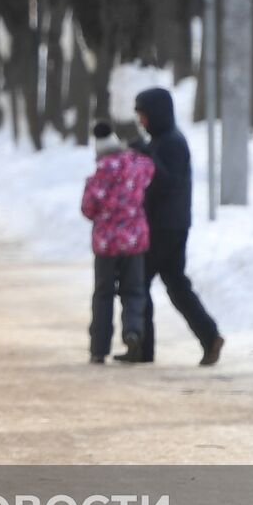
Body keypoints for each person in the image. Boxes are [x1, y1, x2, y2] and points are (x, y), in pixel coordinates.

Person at [131, 87, 225, 366]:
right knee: (176, 285)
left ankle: (143, 349)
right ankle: (209, 336)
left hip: (163, 227)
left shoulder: (171, 142)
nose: (141, 122)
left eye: (143, 116)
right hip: (172, 225)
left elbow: (164, 181)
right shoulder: (163, 141)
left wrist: (144, 155)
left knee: (140, 283)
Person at [82, 121, 155, 364]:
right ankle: (133, 331)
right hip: (134, 241)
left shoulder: (100, 174)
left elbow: (88, 208)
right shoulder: (137, 165)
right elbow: (151, 171)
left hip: (106, 244)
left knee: (103, 295)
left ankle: (98, 348)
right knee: (133, 292)